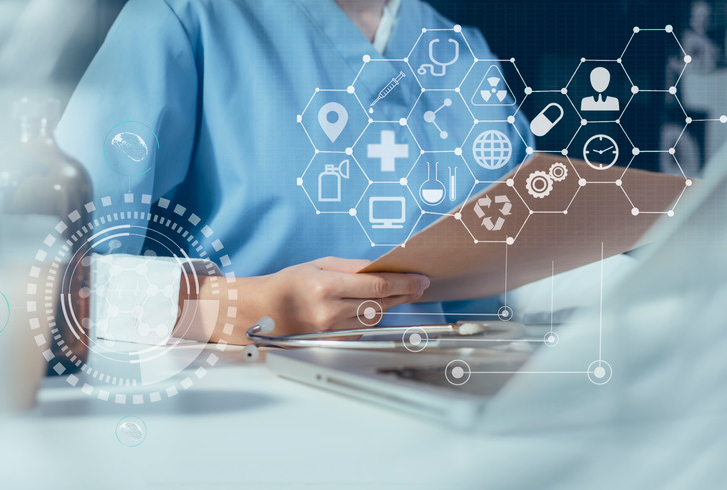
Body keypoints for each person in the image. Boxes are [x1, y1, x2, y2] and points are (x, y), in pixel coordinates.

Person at [57, 0, 530, 344]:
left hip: (437, 415)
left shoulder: (466, 55)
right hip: (228, 419)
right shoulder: (185, 18)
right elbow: (51, 287)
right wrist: (238, 307)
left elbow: (510, 287)